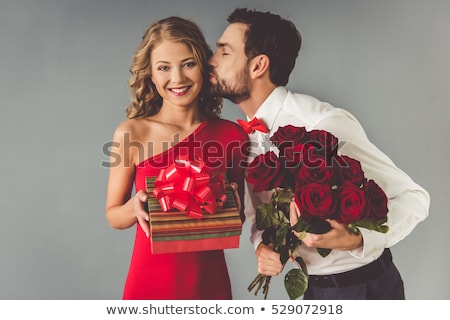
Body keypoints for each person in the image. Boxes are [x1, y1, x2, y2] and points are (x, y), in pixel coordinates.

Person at [209, 8, 430, 299]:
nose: (210, 62)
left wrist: (356, 238)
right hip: (314, 291)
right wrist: (262, 246)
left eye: (223, 53)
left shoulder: (321, 123)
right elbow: (258, 219)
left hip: (365, 289)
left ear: (258, 65)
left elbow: (415, 199)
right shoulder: (242, 139)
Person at [105, 16, 248, 300]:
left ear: (203, 66)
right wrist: (135, 206)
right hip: (149, 284)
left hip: (210, 285)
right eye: (164, 68)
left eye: (188, 64)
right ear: (151, 75)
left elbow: (240, 218)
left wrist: (230, 203)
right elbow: (113, 215)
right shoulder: (131, 132)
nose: (178, 78)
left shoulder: (232, 135)